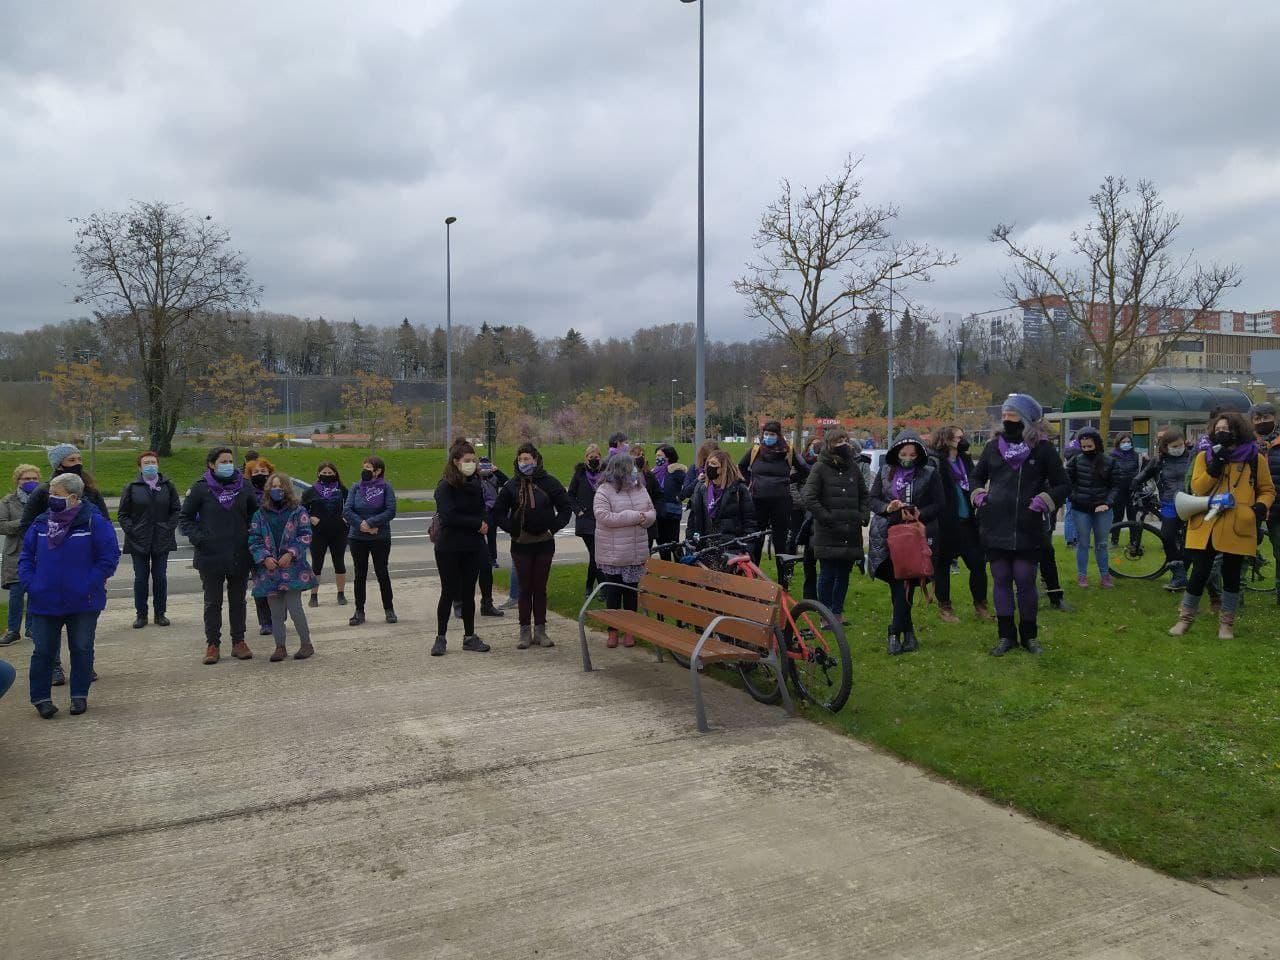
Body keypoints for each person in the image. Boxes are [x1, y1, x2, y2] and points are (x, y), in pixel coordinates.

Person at [971, 394, 1070, 657]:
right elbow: (976, 476)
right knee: (1001, 579)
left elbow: (1063, 484)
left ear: (1027, 419)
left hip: (1028, 527)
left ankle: (1029, 636)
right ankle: (1006, 636)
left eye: (1012, 415)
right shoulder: (993, 447)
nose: (1006, 420)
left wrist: (1045, 500)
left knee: (1026, 580)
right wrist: (979, 494)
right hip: (995, 525)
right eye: (1003, 415)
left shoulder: (1044, 450)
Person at [20, 472, 120, 718]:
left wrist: (89, 583)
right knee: (43, 651)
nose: (51, 498)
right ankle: (41, 699)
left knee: (82, 648)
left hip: (83, 600)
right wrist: (32, 584)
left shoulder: (94, 522)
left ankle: (79, 696)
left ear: (74, 497)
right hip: (45, 599)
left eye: (56, 494)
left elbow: (108, 557)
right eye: (50, 494)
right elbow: (26, 558)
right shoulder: (41, 523)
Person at [1169, 411, 1275, 639]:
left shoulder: (1255, 459)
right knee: (1200, 572)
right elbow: (1197, 488)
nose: (1221, 433)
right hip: (1206, 522)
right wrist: (1214, 466)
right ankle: (1184, 619)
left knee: (1232, 574)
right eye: (1217, 430)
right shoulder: (1204, 457)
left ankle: (1226, 624)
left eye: (1225, 429)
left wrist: (1258, 508)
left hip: (1239, 524)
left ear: (1238, 430)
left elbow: (1267, 490)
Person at [868, 430, 944, 654]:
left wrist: (919, 512)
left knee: (907, 585)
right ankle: (907, 634)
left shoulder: (930, 474)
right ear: (896, 452)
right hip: (889, 536)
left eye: (912, 454)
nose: (908, 457)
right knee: (898, 585)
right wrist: (887, 507)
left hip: (916, 536)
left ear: (919, 455)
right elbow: (873, 499)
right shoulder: (885, 472)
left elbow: (940, 504)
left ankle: (895, 632)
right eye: (904, 453)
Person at [181, 447, 258, 664]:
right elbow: (184, 519)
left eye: (230, 460)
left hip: (239, 554)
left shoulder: (244, 486)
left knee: (238, 601)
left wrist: (252, 534)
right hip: (211, 555)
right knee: (212, 603)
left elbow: (255, 514)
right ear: (212, 465)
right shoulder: (201, 489)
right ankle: (213, 644)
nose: (228, 464)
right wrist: (201, 538)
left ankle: (239, 642)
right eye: (223, 461)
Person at [493, 443, 573, 649]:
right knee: (524, 588)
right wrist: (513, 529)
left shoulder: (550, 483)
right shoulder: (512, 485)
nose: (523, 463)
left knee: (540, 588)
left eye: (527, 459)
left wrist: (552, 528)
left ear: (536, 460)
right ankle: (524, 632)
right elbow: (498, 511)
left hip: (544, 543)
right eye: (520, 460)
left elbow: (565, 508)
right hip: (521, 545)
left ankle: (540, 630)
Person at [432, 440, 494, 655]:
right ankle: (441, 637)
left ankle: (469, 636)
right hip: (449, 546)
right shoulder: (445, 486)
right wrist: (477, 524)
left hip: (472, 546)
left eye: (473, 460)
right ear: (456, 462)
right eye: (467, 460)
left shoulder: (475, 484)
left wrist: (485, 521)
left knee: (469, 593)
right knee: (448, 591)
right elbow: (448, 516)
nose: (471, 464)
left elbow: (482, 508)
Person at [801, 430, 869, 624]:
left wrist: (863, 516)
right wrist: (826, 517)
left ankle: (837, 612)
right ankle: (825, 614)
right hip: (828, 531)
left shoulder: (853, 468)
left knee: (843, 574)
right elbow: (809, 497)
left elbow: (864, 494)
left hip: (850, 529)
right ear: (830, 444)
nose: (844, 444)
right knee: (828, 573)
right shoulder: (820, 468)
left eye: (846, 440)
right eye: (840, 441)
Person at [249, 472, 317, 662]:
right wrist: (264, 557)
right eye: (272, 486)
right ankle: (280, 646)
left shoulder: (298, 511)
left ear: (287, 489)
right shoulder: (260, 513)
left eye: (280, 486)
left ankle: (306, 644)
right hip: (269, 570)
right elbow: (254, 538)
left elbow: (305, 535)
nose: (276, 490)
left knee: (295, 608)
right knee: (276, 612)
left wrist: (291, 553)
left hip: (293, 569)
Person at [593, 452, 657, 647]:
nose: (635, 470)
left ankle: (630, 631)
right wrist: (635, 516)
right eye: (632, 467)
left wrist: (647, 518)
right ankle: (613, 631)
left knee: (630, 593)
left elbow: (651, 510)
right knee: (613, 592)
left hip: (635, 552)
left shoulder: (640, 488)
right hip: (613, 552)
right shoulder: (604, 490)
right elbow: (603, 516)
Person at [928, 425, 990, 623]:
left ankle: (981, 605)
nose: (962, 440)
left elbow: (974, 481)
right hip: (946, 523)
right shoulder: (935, 461)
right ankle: (945, 607)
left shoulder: (964, 459)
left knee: (978, 564)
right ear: (945, 439)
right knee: (943, 566)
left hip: (968, 521)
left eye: (963, 436)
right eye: (958, 437)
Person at [117, 451, 181, 629]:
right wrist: (132, 530)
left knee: (160, 577)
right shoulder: (131, 487)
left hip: (162, 539)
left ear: (158, 465)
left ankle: (160, 614)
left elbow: (176, 509)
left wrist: (168, 527)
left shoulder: (168, 486)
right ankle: (141, 615)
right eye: (146, 463)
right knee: (140, 578)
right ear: (140, 467)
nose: (151, 465)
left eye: (153, 462)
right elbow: (123, 514)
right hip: (138, 540)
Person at [739, 420, 809, 565]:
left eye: (772, 434)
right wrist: (750, 482)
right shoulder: (756, 450)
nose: (768, 437)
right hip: (758, 500)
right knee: (756, 538)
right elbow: (741, 466)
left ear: (778, 435)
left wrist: (790, 480)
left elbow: (804, 469)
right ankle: (754, 575)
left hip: (781, 501)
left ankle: (783, 579)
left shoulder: (788, 451)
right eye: (766, 434)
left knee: (780, 541)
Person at [1133, 427, 1194, 591]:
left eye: (1180, 445)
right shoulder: (1158, 461)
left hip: (1191, 503)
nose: (1178, 448)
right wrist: (1137, 490)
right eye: (1173, 446)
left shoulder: (1193, 457)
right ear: (1165, 446)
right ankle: (1179, 574)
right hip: (1169, 504)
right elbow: (1139, 478)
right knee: (1167, 537)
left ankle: (1182, 574)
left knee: (1191, 542)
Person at [343, 455, 398, 626]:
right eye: (364, 466)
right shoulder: (356, 487)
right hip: (358, 537)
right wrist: (362, 525)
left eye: (369, 467)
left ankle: (389, 609)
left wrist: (372, 523)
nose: (365, 470)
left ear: (378, 471)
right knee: (360, 574)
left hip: (380, 537)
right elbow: (347, 510)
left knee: (382, 572)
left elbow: (390, 511)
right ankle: (359, 611)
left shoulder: (386, 487)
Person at [1067, 427, 1120, 588]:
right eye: (1083, 447)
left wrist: (1107, 503)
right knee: (1083, 543)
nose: (1086, 450)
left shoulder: (1110, 462)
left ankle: (1105, 575)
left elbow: (1116, 486)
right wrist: (1075, 498)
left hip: (1103, 508)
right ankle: (1082, 576)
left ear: (1097, 444)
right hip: (1081, 509)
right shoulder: (1075, 461)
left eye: (1090, 446)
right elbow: (1068, 483)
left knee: (1102, 544)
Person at [0, 464, 40, 645]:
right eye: (26, 479)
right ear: (18, 480)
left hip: (39, 551)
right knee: (17, 593)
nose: (31, 482)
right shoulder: (7, 502)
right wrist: (24, 522)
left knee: (36, 592)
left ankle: (32, 628)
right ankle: (13, 630)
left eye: (34, 479)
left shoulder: (45, 499)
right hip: (16, 552)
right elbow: (2, 526)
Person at [301, 462, 349, 607]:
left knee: (339, 562)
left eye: (330, 473)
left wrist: (345, 518)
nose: (327, 475)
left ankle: (341, 594)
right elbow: (301, 510)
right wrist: (310, 518)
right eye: (324, 473)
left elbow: (351, 505)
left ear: (335, 474)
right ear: (318, 474)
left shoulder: (342, 490)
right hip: (318, 532)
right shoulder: (310, 491)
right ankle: (314, 595)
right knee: (317, 564)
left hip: (338, 531)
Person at [686, 449, 756, 540]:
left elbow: (750, 522)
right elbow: (693, 519)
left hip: (731, 545)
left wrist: (747, 548)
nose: (709, 467)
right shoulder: (701, 488)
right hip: (707, 545)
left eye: (714, 464)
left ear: (723, 468)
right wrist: (690, 541)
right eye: (708, 463)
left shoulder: (739, 489)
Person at [1251, 402, 1280, 603]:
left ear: (1275, 418)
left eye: (1266, 417)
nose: (1262, 421)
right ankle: (1235, 592)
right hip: (1251, 504)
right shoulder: (1247, 443)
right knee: (1243, 548)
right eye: (1258, 418)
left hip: (1278, 505)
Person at [475, 456, 512, 615]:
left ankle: (493, 558)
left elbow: (508, 483)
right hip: (478, 513)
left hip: (491, 512)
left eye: (487, 465)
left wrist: (497, 470)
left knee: (492, 537)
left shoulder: (494, 477)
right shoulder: (475, 478)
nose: (484, 468)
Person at [245, 457, 277, 636]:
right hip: (255, 544)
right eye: (256, 473)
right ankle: (265, 621)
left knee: (279, 583)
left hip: (277, 544)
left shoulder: (276, 492)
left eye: (263, 472)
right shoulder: (246, 493)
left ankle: (278, 616)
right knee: (260, 584)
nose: (260, 475)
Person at [567, 444, 604, 594]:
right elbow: (570, 495)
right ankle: (603, 588)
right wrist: (578, 511)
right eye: (591, 457)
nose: (594, 460)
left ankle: (590, 586)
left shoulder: (605, 473)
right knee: (596, 555)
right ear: (586, 458)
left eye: (596, 457)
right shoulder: (580, 474)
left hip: (601, 519)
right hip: (586, 520)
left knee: (597, 556)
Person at [651, 444, 687, 559]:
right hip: (658, 511)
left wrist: (680, 497)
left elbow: (687, 485)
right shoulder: (654, 472)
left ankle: (681, 566)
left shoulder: (676, 471)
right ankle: (666, 568)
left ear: (668, 456)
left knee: (674, 541)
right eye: (656, 455)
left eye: (660, 455)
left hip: (672, 512)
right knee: (661, 541)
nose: (657, 458)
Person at [1107, 433, 1142, 547]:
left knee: (1132, 515)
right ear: (1118, 443)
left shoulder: (1136, 456)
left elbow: (1141, 470)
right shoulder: (1112, 456)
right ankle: (1114, 540)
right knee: (1118, 516)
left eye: (1128, 442)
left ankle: (1133, 541)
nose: (1126, 444)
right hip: (1118, 490)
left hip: (1133, 490)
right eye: (1123, 442)